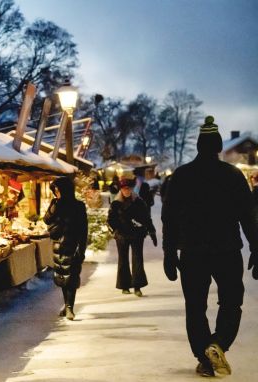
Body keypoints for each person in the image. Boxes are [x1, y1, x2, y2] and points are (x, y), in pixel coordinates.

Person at [162, 116, 258, 377]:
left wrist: (169, 253)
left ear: (198, 146)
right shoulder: (233, 175)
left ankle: (205, 357)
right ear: (217, 147)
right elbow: (249, 216)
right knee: (231, 303)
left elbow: (168, 218)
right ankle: (218, 343)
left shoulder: (181, 176)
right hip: (227, 250)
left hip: (192, 252)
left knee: (195, 306)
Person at [43, 177, 88, 321]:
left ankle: (70, 308)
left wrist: (82, 248)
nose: (56, 192)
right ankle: (66, 304)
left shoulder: (78, 206)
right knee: (62, 277)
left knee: (72, 277)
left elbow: (83, 229)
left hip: (73, 245)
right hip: (58, 245)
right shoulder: (57, 204)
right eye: (55, 190)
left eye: (58, 189)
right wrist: (53, 204)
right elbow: (46, 219)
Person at [108, 177, 157, 297]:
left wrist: (152, 232)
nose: (127, 191)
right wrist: (115, 230)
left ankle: (137, 286)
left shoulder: (139, 201)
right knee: (123, 260)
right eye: (124, 189)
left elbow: (146, 217)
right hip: (122, 235)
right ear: (121, 190)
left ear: (132, 189)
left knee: (137, 259)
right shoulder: (115, 203)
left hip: (137, 234)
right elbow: (110, 219)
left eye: (129, 189)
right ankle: (124, 285)